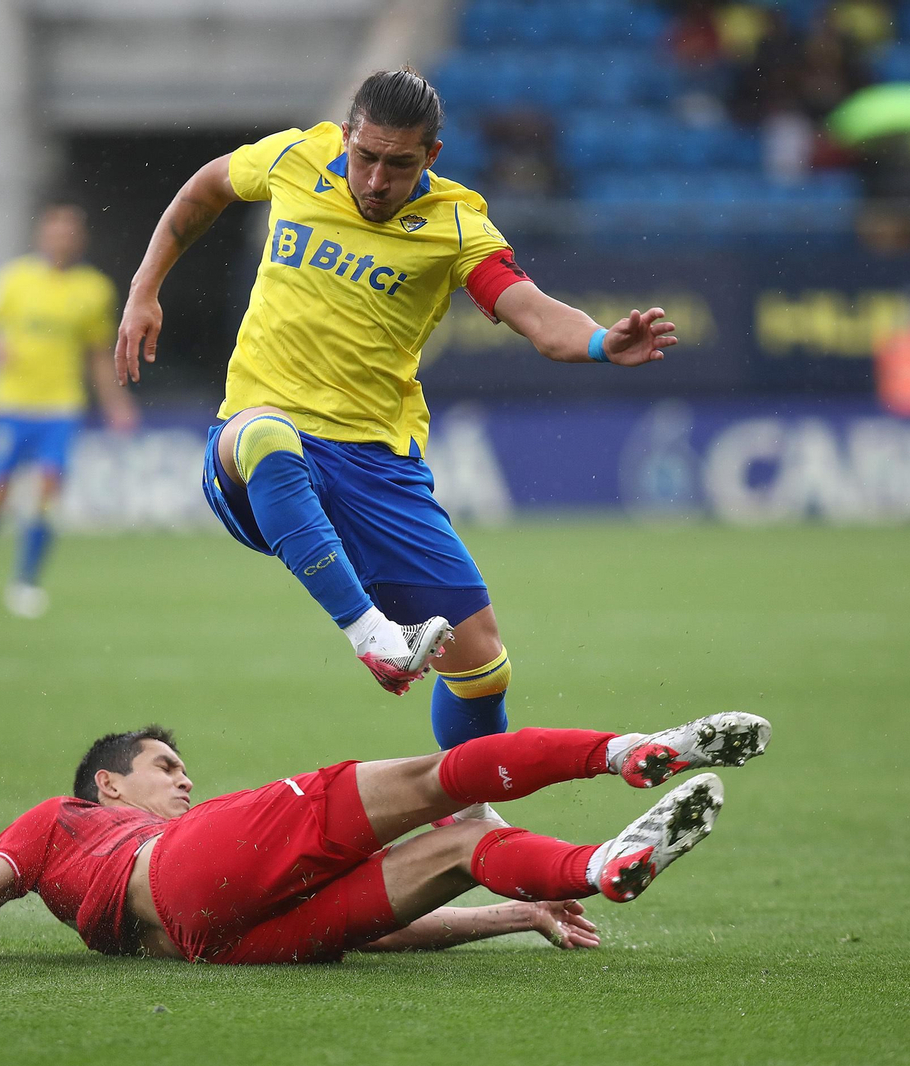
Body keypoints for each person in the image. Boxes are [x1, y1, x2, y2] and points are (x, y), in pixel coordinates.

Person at [113, 68, 676, 750]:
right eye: (366, 158)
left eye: (399, 164)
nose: (377, 180)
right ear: (347, 137)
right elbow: (208, 186)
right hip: (259, 448)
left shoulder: (456, 226)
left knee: (481, 670)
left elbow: (531, 311)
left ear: (431, 157)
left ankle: (465, 817)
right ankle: (372, 635)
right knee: (265, 434)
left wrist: (597, 341)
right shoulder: (296, 157)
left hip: (375, 467)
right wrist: (146, 287)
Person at [0, 712, 771, 964]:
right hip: (186, 872)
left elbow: (380, 929)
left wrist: (515, 918)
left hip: (216, 945)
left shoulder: (106, 859)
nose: (184, 779)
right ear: (107, 784)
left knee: (458, 845)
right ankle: (627, 752)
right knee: (438, 781)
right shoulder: (67, 819)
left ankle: (596, 869)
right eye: (164, 766)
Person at [0, 204, 139, 619]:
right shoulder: (15, 278)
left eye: (70, 232)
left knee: (47, 492)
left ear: (80, 239)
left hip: (60, 407)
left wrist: (117, 404)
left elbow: (96, 355)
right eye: (56, 231)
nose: (63, 239)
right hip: (11, 403)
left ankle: (25, 582)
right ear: (43, 235)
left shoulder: (93, 290)